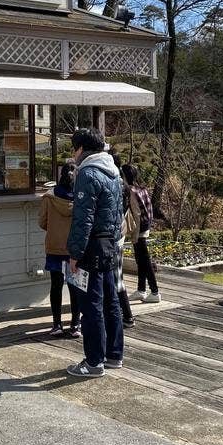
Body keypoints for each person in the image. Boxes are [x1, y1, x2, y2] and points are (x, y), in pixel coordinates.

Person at [65, 127, 123, 378]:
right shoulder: (113, 172)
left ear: (80, 149)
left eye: (74, 149)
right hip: (110, 242)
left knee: (91, 305)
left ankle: (93, 362)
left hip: (91, 246)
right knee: (111, 301)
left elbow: (82, 218)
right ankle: (114, 355)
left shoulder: (88, 173)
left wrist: (75, 253)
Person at [38, 161, 81, 338]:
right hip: (73, 248)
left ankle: (56, 324)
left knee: (56, 285)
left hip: (54, 246)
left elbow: (42, 222)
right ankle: (75, 324)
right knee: (74, 286)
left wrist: (55, 228)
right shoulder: (80, 197)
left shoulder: (49, 197)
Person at [121, 163, 162, 303]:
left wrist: (134, 235)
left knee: (145, 261)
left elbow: (136, 214)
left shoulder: (131, 191)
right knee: (140, 260)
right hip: (146, 226)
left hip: (139, 229)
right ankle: (141, 290)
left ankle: (155, 291)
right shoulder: (142, 189)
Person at [109, 152, 135, 327]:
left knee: (115, 278)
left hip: (113, 236)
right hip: (121, 234)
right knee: (117, 276)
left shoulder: (115, 185)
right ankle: (124, 315)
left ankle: (126, 315)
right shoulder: (125, 186)